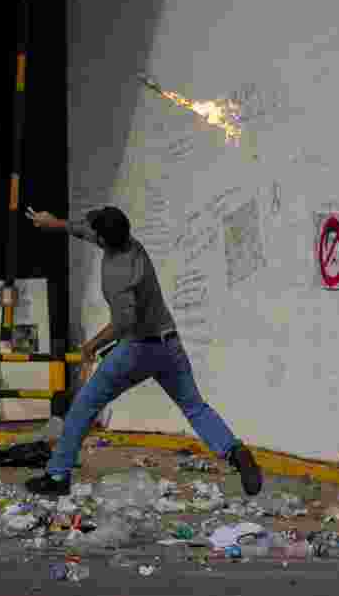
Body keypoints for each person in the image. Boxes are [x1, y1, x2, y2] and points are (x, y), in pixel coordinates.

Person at [22, 206, 263, 498]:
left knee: (85, 405)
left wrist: (90, 347)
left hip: (138, 348)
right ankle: (235, 452)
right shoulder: (132, 244)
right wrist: (54, 223)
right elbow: (83, 229)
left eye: (94, 227)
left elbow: (125, 323)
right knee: (195, 407)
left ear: (103, 237)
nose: (89, 228)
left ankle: (57, 475)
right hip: (169, 343)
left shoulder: (118, 274)